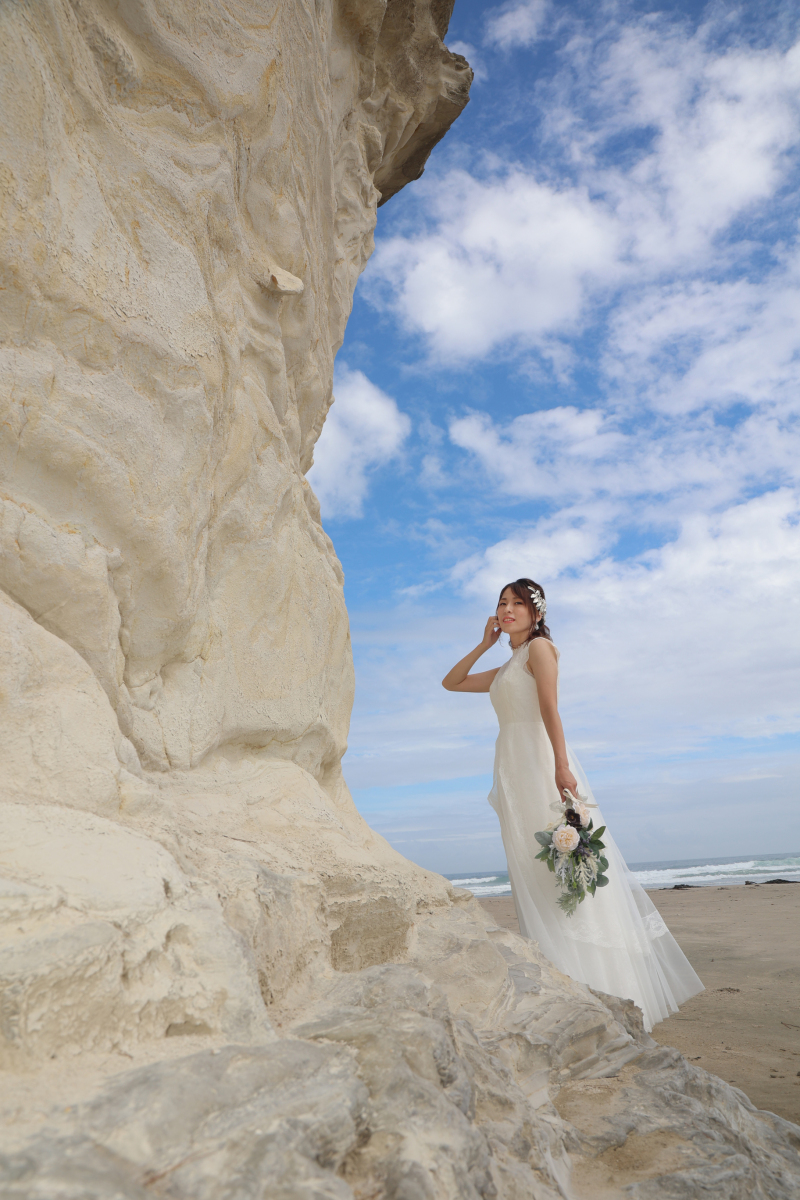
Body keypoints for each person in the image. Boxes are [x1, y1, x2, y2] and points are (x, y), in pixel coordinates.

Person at [442, 577, 703, 1031]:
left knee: (560, 869)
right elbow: (452, 682)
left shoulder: (540, 650)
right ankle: (559, 976)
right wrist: (484, 644)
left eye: (517, 604)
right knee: (531, 869)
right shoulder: (508, 665)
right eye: (502, 603)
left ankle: (596, 983)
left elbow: (550, 709)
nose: (507, 611)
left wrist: (562, 768)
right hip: (512, 770)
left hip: (539, 762)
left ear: (536, 612)